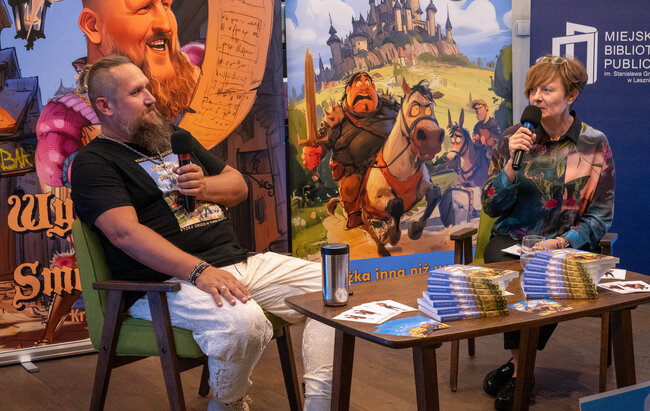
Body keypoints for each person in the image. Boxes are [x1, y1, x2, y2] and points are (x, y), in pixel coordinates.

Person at [70, 56, 334, 411]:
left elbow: (238, 187)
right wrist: (199, 271)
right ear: (105, 106)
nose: (151, 98)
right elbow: (124, 234)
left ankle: (320, 404)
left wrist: (204, 187)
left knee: (334, 289)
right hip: (166, 284)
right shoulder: (94, 163)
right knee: (244, 324)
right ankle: (227, 405)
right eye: (136, 92)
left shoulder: (173, 139)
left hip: (236, 263)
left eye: (148, 87)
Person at [480, 55, 615, 411]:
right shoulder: (512, 139)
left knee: (544, 272)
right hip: (513, 241)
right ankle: (522, 369)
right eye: (532, 90)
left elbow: (601, 217)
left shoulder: (593, 144)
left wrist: (561, 242)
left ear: (571, 95)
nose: (536, 97)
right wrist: (511, 167)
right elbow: (490, 206)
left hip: (568, 244)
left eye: (547, 89)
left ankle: (518, 369)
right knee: (507, 264)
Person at [301, 72, 399, 229]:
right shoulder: (336, 117)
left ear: (374, 87)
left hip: (389, 167)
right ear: (348, 90)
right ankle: (354, 214)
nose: (364, 88)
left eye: (367, 84)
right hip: (353, 170)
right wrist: (314, 153)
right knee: (349, 187)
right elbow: (323, 143)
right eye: (358, 85)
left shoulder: (389, 108)